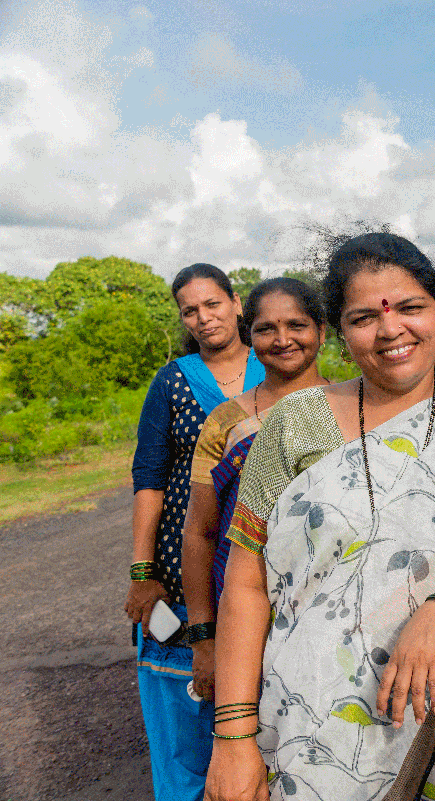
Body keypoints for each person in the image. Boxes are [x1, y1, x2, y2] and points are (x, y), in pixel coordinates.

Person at [204, 233, 435, 801]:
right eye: (364, 317)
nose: (390, 330)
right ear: (339, 331)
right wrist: (233, 738)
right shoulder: (294, 424)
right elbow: (245, 584)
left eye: (409, 308)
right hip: (312, 722)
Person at [125, 263, 265, 801]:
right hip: (184, 566)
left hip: (260, 562)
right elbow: (150, 478)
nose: (204, 318)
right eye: (190, 310)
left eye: (212, 304)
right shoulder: (173, 381)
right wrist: (142, 571)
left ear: (236, 302)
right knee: (183, 722)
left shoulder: (275, 365)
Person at [181, 277, 329, 703]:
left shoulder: (356, 408)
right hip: (245, 613)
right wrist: (204, 639)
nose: (282, 340)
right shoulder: (226, 421)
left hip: (333, 607)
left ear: (321, 331)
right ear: (251, 336)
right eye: (266, 329)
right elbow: (200, 532)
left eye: (296, 325)